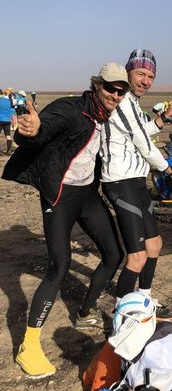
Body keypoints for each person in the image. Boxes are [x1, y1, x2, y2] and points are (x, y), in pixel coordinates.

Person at [1, 63, 129, 377]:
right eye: (110, 87)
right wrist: (29, 132)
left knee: (114, 255)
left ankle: (85, 311)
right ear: (98, 84)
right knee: (59, 267)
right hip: (60, 196)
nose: (115, 94)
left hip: (87, 195)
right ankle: (28, 345)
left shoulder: (107, 115)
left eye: (120, 90)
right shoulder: (73, 109)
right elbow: (45, 127)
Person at [99, 49, 172, 320]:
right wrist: (170, 169)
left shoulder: (133, 102)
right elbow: (144, 145)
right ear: (128, 72)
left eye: (151, 76)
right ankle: (122, 315)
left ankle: (144, 299)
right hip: (119, 182)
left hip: (135, 180)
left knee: (154, 245)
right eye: (141, 74)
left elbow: (140, 132)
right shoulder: (123, 101)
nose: (146, 81)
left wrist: (162, 119)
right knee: (136, 256)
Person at [0, 89, 12, 155]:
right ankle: (9, 151)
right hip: (7, 120)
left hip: (0, 119)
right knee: (8, 136)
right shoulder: (8, 101)